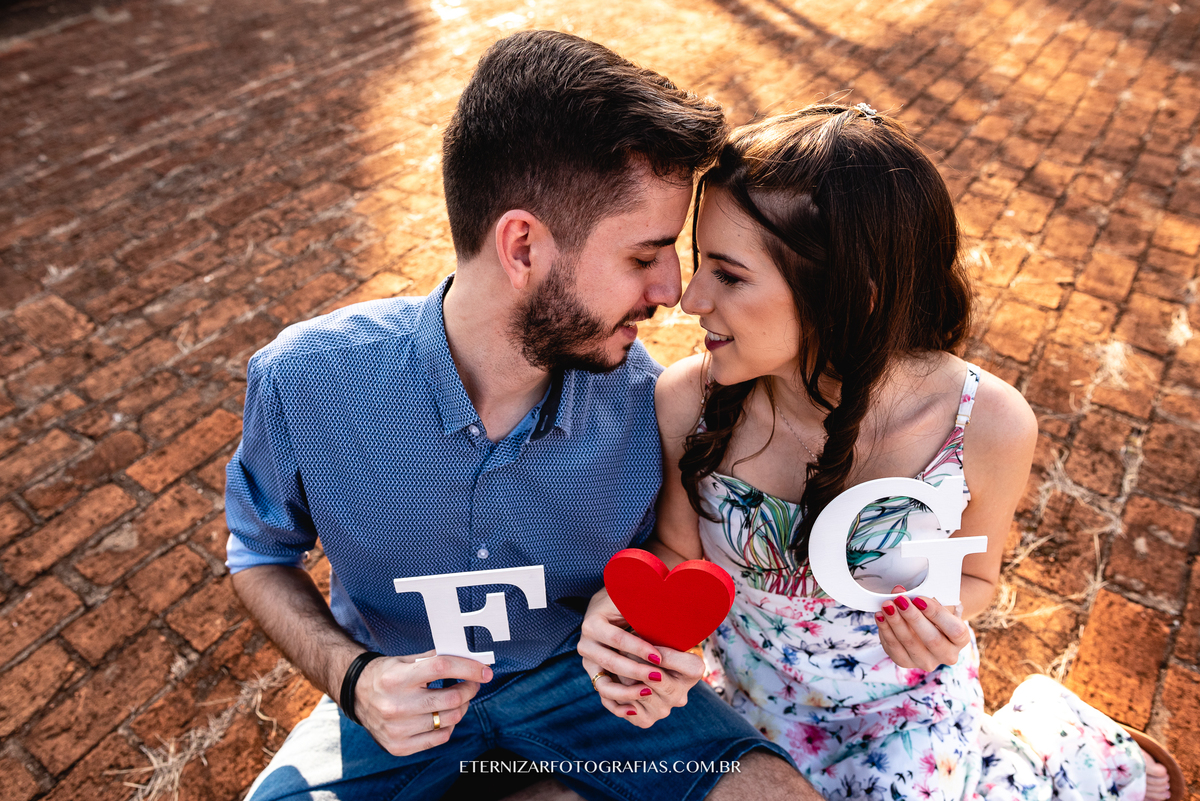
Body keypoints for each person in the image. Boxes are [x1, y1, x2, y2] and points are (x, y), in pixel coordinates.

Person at [224, 30, 823, 801]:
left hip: (584, 697)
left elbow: (663, 562)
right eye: (645, 256)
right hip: (391, 709)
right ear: (522, 246)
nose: (674, 288)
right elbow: (259, 553)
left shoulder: (654, 404)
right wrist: (355, 678)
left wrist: (641, 636)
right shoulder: (304, 380)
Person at [626, 103, 1179, 800]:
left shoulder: (986, 423)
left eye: (730, 276)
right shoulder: (685, 400)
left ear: (848, 297)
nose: (688, 297)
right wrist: (649, 641)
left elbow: (977, 577)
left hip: (901, 706)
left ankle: (1058, 745)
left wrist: (940, 622)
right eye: (700, 263)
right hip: (750, 694)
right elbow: (682, 558)